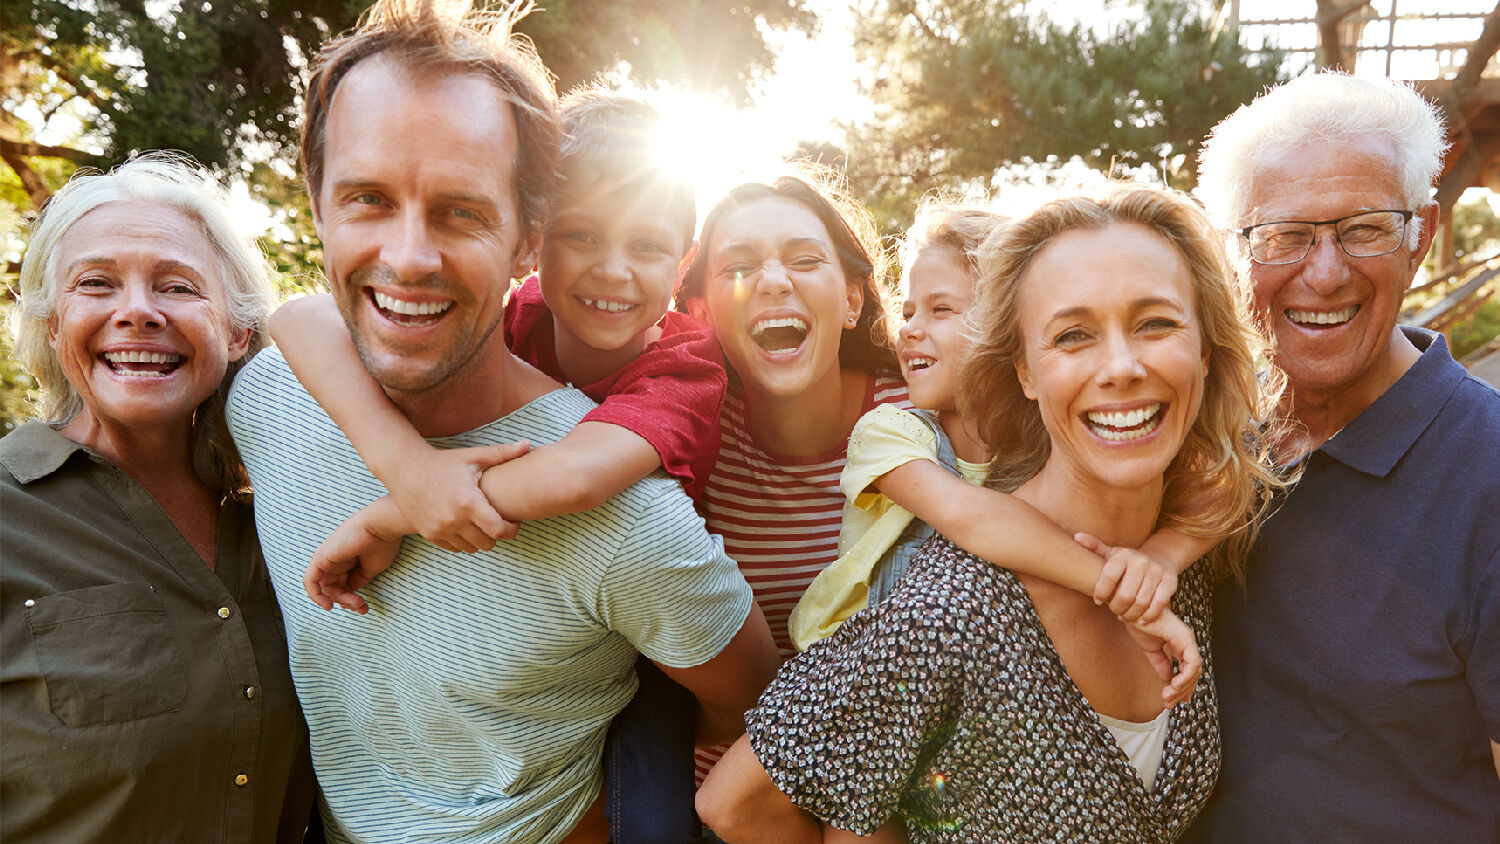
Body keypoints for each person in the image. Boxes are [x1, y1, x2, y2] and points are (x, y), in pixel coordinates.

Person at [224, 2, 777, 842]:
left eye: (459, 212)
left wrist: (398, 508)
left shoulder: (632, 497)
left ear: (523, 238)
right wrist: (406, 467)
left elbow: (750, 694)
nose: (410, 258)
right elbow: (294, 317)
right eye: (369, 198)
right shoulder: (263, 399)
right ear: (317, 208)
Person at [697, 186, 1282, 843]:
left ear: (1205, 349)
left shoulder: (1187, 553)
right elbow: (738, 803)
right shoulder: (952, 610)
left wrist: (1164, 558)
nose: (1121, 366)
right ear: (1025, 371)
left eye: (1155, 323)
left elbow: (1243, 474)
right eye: (1072, 335)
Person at [1184, 72, 1500, 841]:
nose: (1323, 273)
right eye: (1285, 235)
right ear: (1234, 256)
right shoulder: (1198, 443)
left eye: (1363, 229)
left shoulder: (1488, 473)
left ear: (1421, 235)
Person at [0, 153, 316, 842]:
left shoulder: (287, 516)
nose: (137, 311)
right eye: (97, 283)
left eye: (176, 287)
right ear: (54, 327)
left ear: (237, 333)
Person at [789, 199, 1214, 668]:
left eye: (941, 309)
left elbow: (1226, 480)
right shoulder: (891, 432)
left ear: (1005, 329)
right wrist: (1122, 590)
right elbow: (973, 518)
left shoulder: (1049, 437)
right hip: (855, 667)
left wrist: (1161, 558)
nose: (910, 329)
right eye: (908, 312)